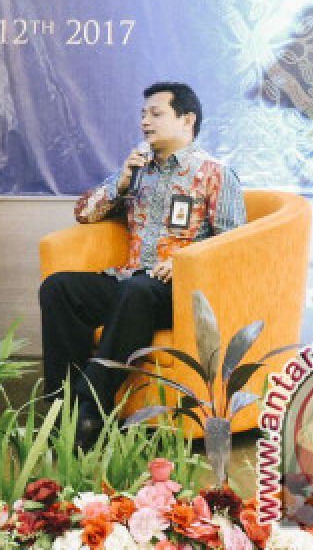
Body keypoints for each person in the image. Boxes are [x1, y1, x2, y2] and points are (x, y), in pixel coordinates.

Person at [38, 82, 245, 445]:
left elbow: (233, 244)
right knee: (59, 288)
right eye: (143, 114)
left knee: (137, 291)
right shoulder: (138, 170)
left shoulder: (216, 174)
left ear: (187, 119)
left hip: (178, 290)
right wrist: (119, 184)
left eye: (156, 113)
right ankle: (61, 407)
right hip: (129, 283)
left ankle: (91, 408)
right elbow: (84, 213)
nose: (145, 121)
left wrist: (184, 262)